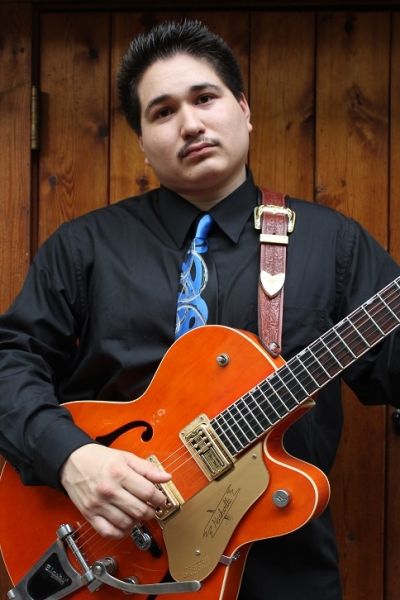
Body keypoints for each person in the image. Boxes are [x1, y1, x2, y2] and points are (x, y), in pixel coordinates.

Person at [0, 18, 399, 600]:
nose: (190, 123)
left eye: (205, 98)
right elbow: (10, 361)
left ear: (244, 109)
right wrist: (69, 458)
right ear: (142, 142)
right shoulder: (83, 247)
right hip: (108, 566)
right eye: (162, 112)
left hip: (281, 573)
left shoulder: (334, 245)